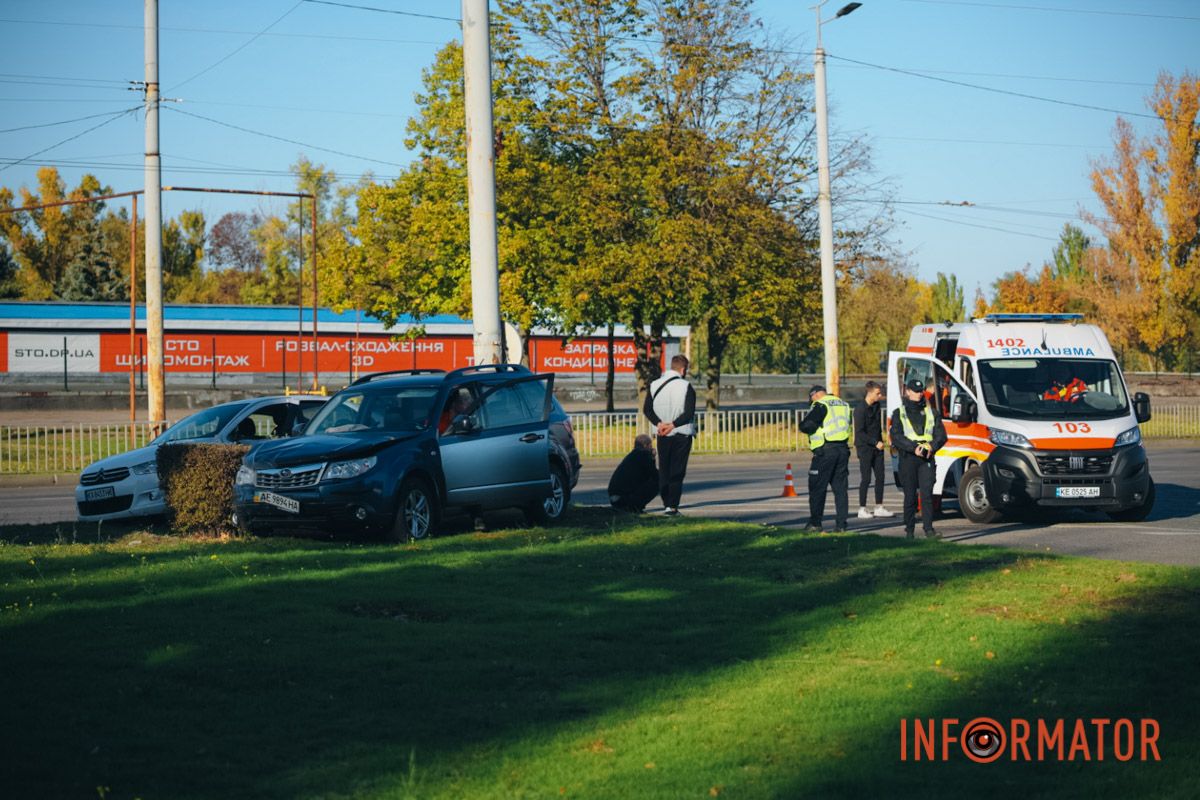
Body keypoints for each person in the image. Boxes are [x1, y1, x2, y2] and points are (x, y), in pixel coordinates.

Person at [890, 378, 948, 539]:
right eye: (916, 391)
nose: (919, 393)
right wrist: (913, 448)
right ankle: (909, 531)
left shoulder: (931, 412)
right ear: (907, 392)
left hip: (927, 458)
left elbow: (941, 435)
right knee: (910, 496)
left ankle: (929, 530)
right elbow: (896, 436)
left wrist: (931, 447)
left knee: (927, 495)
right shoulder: (899, 413)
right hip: (908, 457)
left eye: (921, 390)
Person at [644, 354, 697, 516]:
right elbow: (688, 412)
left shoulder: (654, 385)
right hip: (681, 433)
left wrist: (660, 424)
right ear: (683, 369)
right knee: (677, 470)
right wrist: (672, 425)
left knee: (664, 469)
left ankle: (666, 503)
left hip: (661, 433)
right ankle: (673, 506)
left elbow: (647, 409)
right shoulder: (686, 386)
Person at [799, 384, 852, 533]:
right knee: (840, 489)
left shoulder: (821, 404)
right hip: (842, 449)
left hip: (825, 451)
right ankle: (841, 525)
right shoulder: (843, 404)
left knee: (817, 488)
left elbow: (807, 425)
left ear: (814, 395)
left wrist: (803, 426)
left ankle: (815, 523)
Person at [853, 381, 893, 520]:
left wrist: (881, 440)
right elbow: (860, 433)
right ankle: (862, 508)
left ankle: (879, 507)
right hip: (865, 447)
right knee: (866, 478)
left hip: (878, 447)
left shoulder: (877, 406)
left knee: (880, 477)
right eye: (877, 393)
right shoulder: (860, 410)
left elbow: (876, 427)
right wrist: (874, 442)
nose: (880, 396)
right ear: (869, 393)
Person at [608, 434, 659, 513]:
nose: (652, 448)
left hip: (615, 497)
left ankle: (633, 506)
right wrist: (652, 458)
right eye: (650, 445)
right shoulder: (644, 455)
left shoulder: (632, 455)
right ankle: (635, 507)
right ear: (645, 445)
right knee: (659, 481)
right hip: (624, 498)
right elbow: (654, 474)